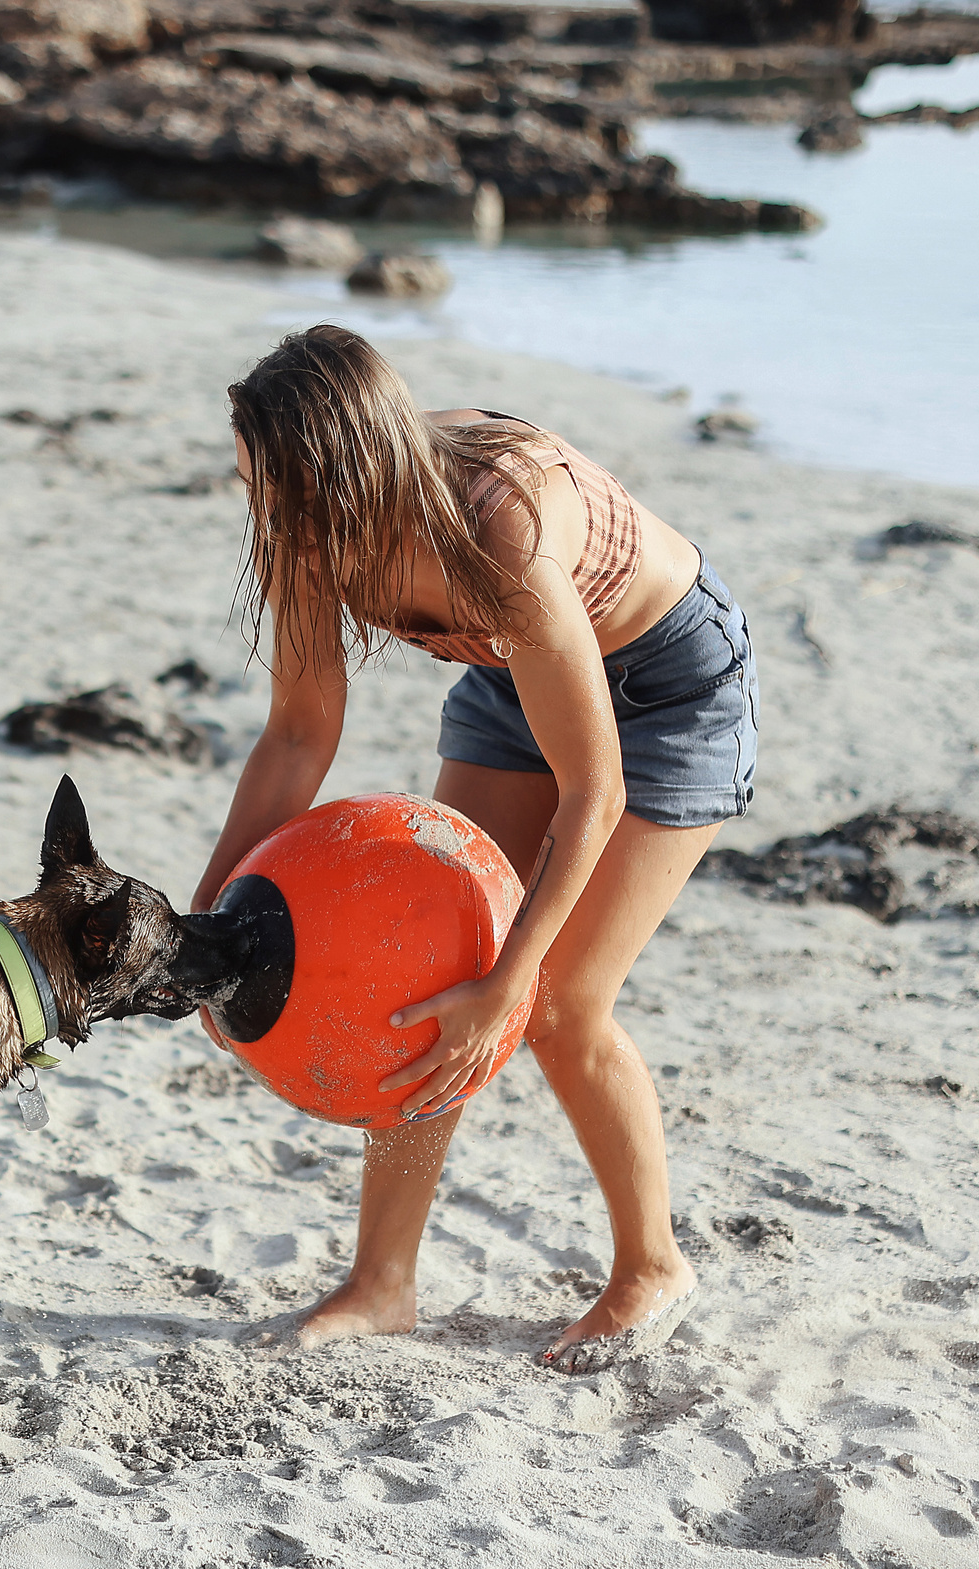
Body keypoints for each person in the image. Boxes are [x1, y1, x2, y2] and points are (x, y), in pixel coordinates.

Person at [192, 325, 759, 1371]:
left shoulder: (497, 525)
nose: (260, 516)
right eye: (246, 485)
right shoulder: (307, 533)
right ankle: (382, 1285)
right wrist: (209, 921)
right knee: (431, 974)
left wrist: (510, 981)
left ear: (348, 472)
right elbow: (298, 734)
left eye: (273, 490)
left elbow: (595, 790)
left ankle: (651, 1267)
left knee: (557, 999)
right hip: (515, 680)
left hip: (670, 693)